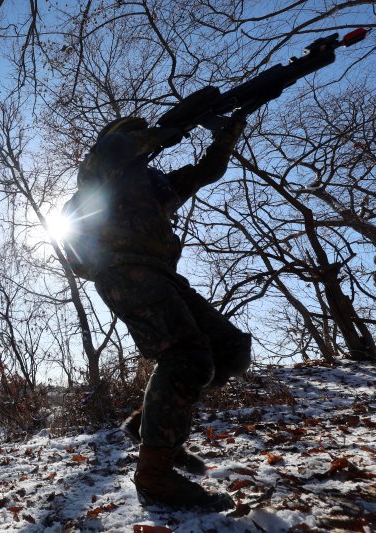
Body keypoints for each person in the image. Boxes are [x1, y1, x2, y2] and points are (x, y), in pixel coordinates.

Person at [62, 114, 251, 511]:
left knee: (230, 350)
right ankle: (155, 474)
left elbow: (206, 172)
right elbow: (115, 148)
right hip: (123, 271)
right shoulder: (98, 174)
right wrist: (165, 132)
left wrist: (229, 130)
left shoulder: (153, 185)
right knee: (186, 357)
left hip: (163, 274)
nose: (138, 137)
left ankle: (148, 423)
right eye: (133, 132)